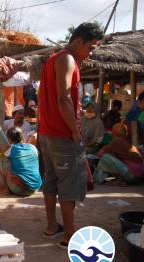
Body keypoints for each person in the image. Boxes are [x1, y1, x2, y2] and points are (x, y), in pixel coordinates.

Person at [38, 22, 104, 249]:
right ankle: (68, 234)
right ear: (78, 41)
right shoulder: (67, 59)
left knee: (50, 180)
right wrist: (75, 132)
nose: (91, 52)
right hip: (61, 134)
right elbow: (63, 98)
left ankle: (51, 227)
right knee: (69, 185)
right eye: (91, 47)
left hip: (47, 132)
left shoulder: (52, 59)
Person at [0, 127, 42, 196]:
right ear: (22, 136)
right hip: (36, 187)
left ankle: (4, 189)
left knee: (2, 159)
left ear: (9, 139)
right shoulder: (32, 147)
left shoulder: (11, 149)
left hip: (20, 189)